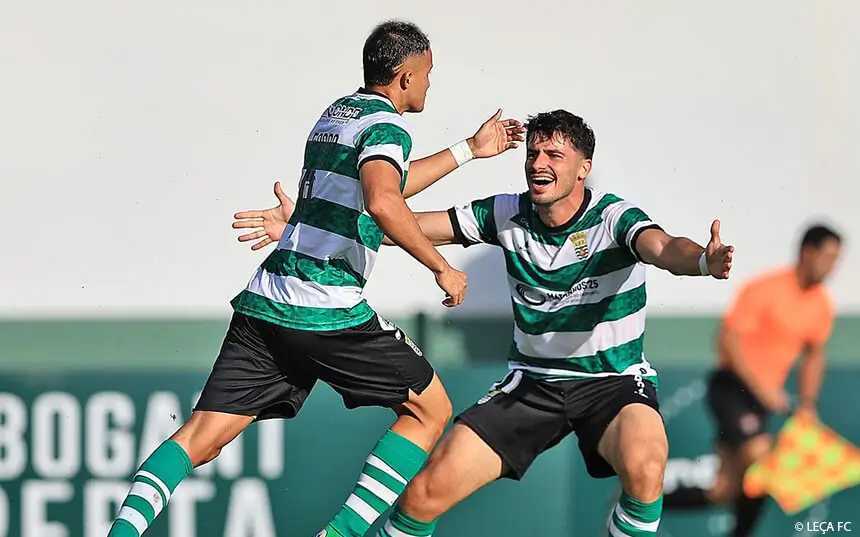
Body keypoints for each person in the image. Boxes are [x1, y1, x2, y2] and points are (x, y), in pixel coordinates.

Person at [107, 20, 525, 537]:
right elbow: (383, 198)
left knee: (202, 437)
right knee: (429, 409)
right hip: (323, 306)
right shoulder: (388, 128)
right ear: (404, 76)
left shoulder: (337, 114)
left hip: (267, 299)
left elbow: (385, 182)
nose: (429, 84)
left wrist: (469, 150)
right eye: (427, 74)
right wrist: (441, 267)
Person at [232, 109, 735, 537]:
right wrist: (309, 224)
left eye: (553, 157)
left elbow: (666, 248)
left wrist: (702, 262)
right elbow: (404, 226)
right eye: (533, 155)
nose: (538, 165)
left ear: (583, 168)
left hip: (612, 383)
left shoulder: (613, 219)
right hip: (532, 386)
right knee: (422, 497)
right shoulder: (506, 213)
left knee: (647, 469)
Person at [662, 224, 842, 537]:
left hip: (762, 400)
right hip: (733, 389)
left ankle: (637, 501)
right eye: (827, 257)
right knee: (760, 460)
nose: (832, 267)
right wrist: (764, 391)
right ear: (807, 252)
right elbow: (728, 342)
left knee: (724, 489)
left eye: (837, 259)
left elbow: (814, 356)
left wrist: (808, 405)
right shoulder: (766, 288)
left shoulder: (821, 305)